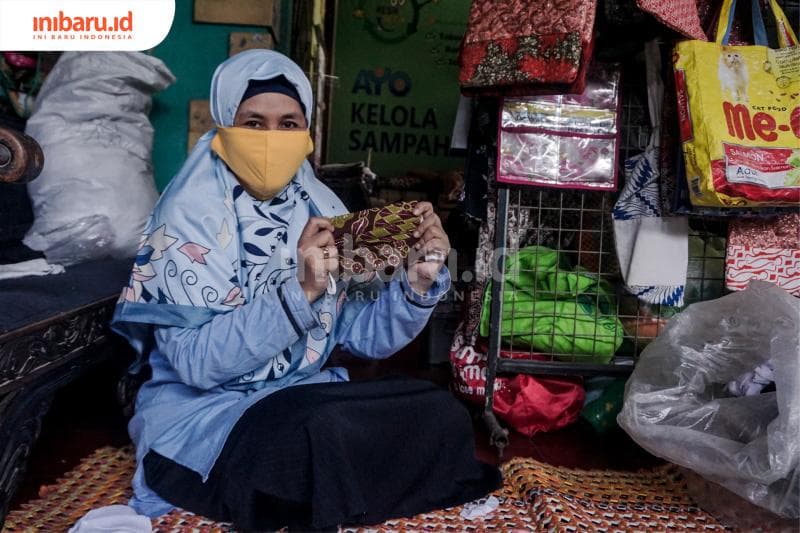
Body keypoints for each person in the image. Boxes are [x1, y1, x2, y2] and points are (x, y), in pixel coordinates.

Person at [112, 49, 500, 531]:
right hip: (207, 420)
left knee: (441, 412)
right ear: (224, 127)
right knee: (320, 434)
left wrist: (417, 281)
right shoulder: (186, 221)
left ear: (306, 130)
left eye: (289, 123)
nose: (273, 139)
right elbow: (197, 365)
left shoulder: (322, 208)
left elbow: (365, 338)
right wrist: (302, 290)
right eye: (253, 123)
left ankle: (336, 482)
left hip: (301, 396)